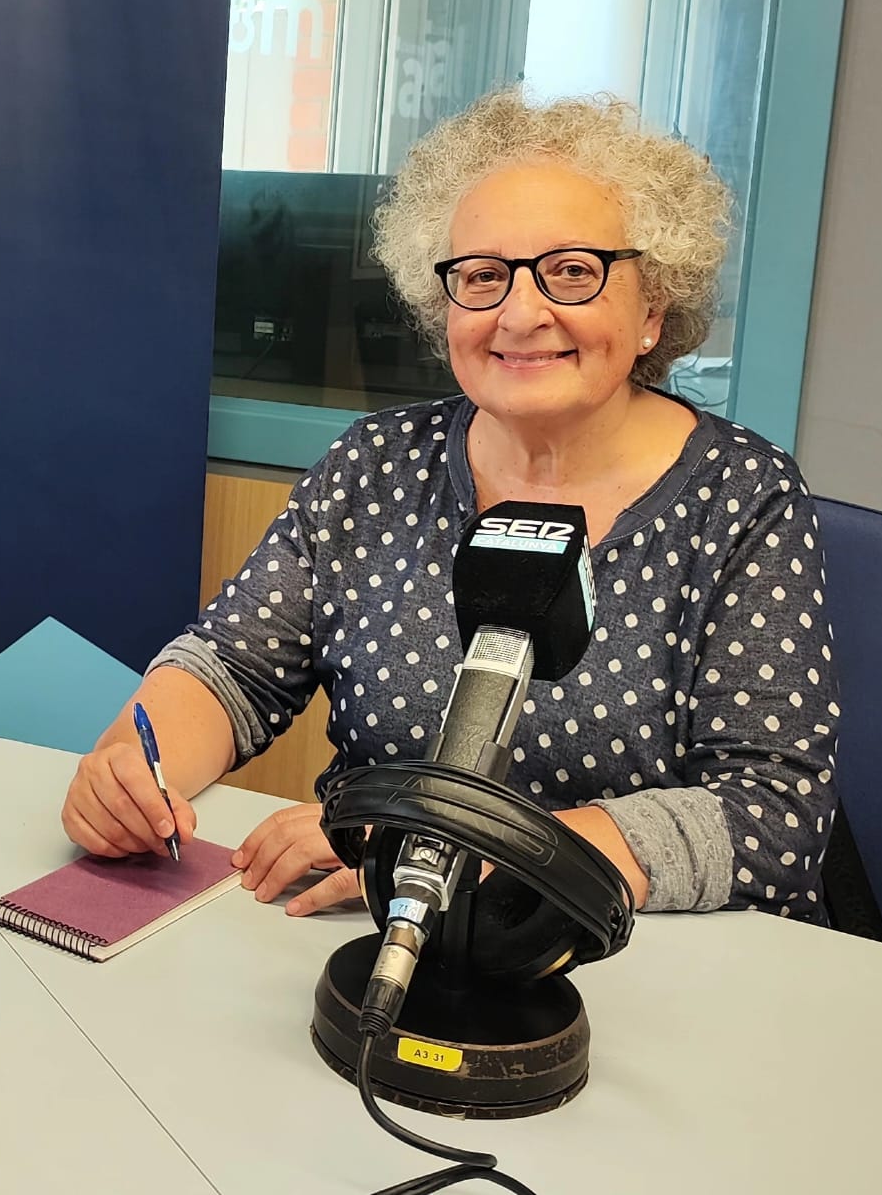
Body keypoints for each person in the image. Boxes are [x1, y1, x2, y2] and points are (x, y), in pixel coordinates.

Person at [64, 89, 839, 924]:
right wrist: (132, 771)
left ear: (652, 308)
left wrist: (437, 844)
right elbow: (236, 669)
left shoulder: (743, 498)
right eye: (483, 276)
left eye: (573, 271)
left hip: (620, 958)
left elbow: (770, 817)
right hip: (359, 931)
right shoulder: (375, 466)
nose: (522, 311)